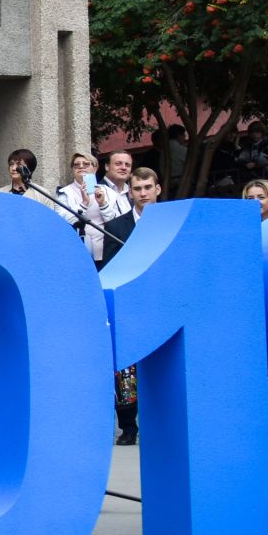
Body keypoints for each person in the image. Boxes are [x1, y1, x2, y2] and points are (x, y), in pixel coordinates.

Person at [101, 167, 163, 447]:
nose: (143, 193)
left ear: (158, 189)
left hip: (165, 305)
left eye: (148, 187)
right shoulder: (116, 228)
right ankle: (128, 426)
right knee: (125, 371)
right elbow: (110, 270)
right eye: (137, 189)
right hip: (129, 309)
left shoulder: (172, 222)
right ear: (130, 192)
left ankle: (164, 419)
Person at [57, 153, 127, 263]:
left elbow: (117, 223)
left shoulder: (109, 192)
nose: (81, 167)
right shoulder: (64, 193)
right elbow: (63, 221)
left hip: (106, 250)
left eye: (86, 164)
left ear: (95, 168)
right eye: (76, 165)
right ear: (72, 169)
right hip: (78, 249)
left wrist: (103, 204)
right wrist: (84, 204)